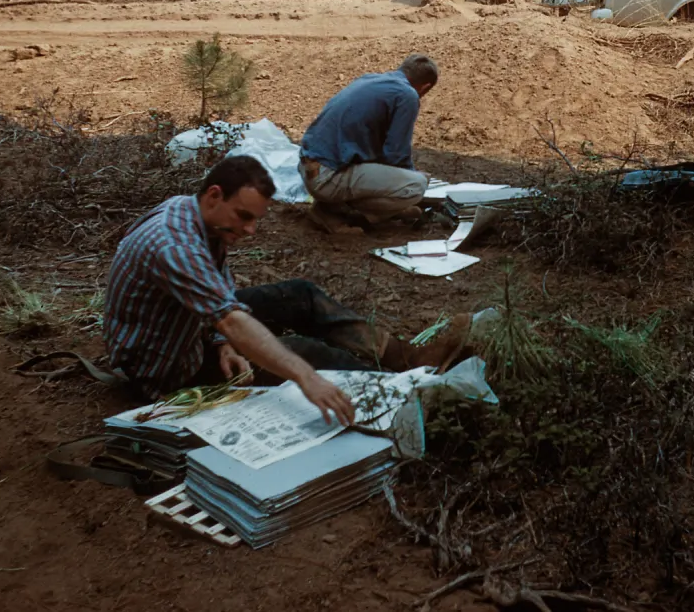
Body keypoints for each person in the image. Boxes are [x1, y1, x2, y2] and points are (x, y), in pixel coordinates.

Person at [103, 155, 471, 422]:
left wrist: (220, 341)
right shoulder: (173, 246)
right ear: (214, 195)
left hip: (187, 327)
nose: (250, 231)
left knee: (300, 294)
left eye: (255, 219)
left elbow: (219, 300)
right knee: (302, 353)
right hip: (164, 365)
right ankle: (410, 397)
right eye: (243, 217)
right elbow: (230, 319)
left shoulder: (196, 215)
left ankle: (405, 359)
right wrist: (304, 377)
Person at [299, 54, 438, 234]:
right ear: (425, 87)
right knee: (416, 186)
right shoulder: (408, 95)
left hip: (309, 168)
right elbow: (396, 154)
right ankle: (335, 212)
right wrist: (409, 179)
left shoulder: (371, 79)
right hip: (327, 179)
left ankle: (367, 207)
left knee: (407, 180)